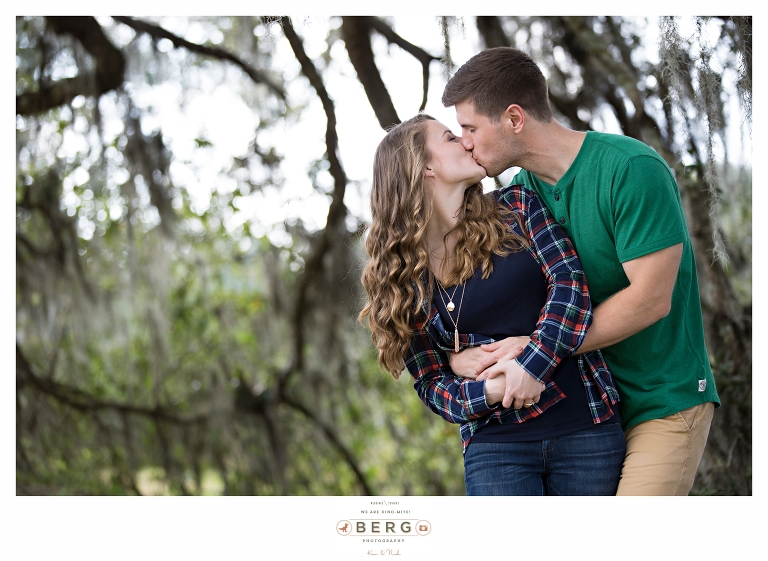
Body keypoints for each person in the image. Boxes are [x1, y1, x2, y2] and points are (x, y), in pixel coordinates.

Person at [441, 46, 720, 496]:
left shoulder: (629, 169)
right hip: (593, 411)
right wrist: (457, 358)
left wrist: (538, 350)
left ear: (514, 119)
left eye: (470, 128)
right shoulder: (520, 198)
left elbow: (651, 299)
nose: (465, 142)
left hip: (661, 401)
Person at [359, 113, 624, 496]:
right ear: (425, 167)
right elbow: (432, 383)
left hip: (585, 427)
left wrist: (531, 365)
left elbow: (570, 285)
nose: (467, 142)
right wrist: (494, 391)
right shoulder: (403, 277)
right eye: (450, 137)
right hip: (495, 447)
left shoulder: (516, 206)